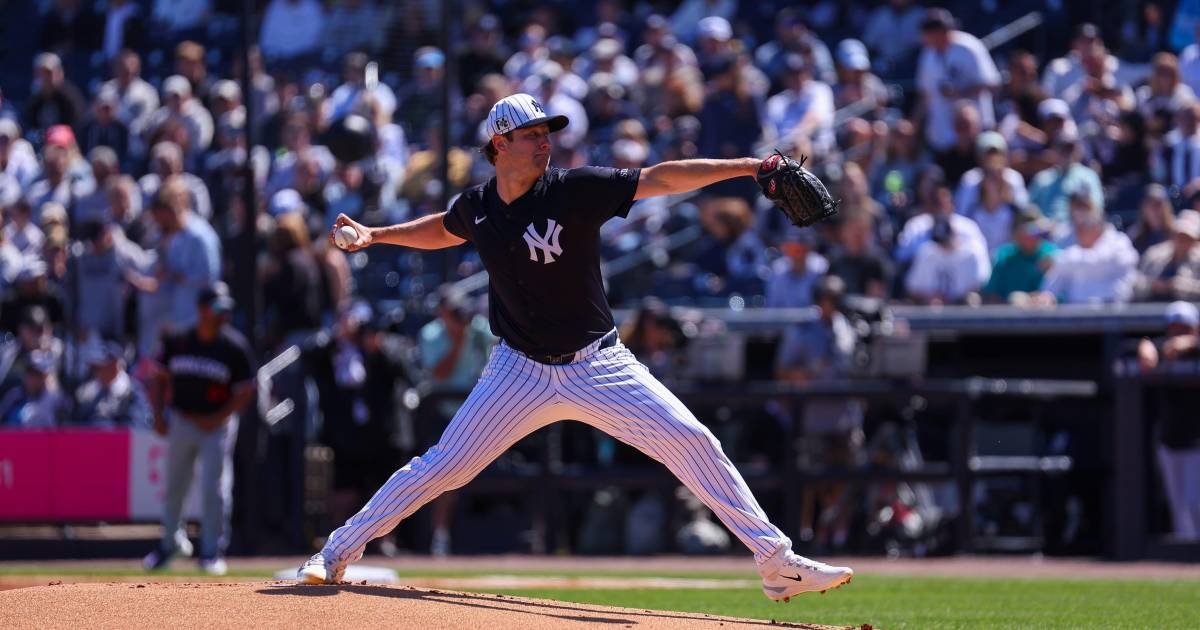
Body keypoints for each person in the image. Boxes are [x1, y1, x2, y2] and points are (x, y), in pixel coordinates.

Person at [300, 93, 854, 599]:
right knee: (443, 467)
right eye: (532, 134)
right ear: (499, 144)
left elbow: (661, 178)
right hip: (518, 370)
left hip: (598, 364)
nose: (545, 142)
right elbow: (445, 228)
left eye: (548, 133)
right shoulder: (479, 205)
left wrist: (750, 166)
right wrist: (377, 235)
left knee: (692, 441)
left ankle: (776, 563)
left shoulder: (574, 188)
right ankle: (336, 551)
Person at [143, 283, 256, 575]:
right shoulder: (178, 339)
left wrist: (218, 417)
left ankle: (211, 551)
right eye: (217, 308)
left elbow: (245, 391)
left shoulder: (234, 346)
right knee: (174, 485)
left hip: (217, 425)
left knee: (214, 488)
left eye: (225, 309)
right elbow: (159, 377)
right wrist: (158, 414)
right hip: (182, 419)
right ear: (202, 309)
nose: (222, 315)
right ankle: (170, 544)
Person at [417, 289, 498, 556]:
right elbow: (440, 374)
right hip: (443, 412)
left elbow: (501, 349)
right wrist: (458, 339)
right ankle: (439, 536)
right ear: (442, 312)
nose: (459, 316)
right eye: (453, 312)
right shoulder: (431, 333)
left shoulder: (478, 328)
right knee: (444, 472)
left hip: (477, 410)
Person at [1136, 301, 1200, 541]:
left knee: (1195, 503)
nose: (1178, 333)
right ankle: (1183, 558)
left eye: (1184, 328)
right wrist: (1144, 344)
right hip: (1170, 441)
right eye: (1174, 328)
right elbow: (1133, 348)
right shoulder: (1161, 350)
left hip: (1197, 443)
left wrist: (1190, 343)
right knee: (1179, 507)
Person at [73, 341, 152, 428]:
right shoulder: (86, 391)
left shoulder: (133, 391)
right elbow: (76, 421)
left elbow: (139, 423)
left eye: (102, 367)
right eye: (95, 368)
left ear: (116, 366)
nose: (97, 372)